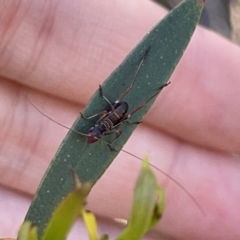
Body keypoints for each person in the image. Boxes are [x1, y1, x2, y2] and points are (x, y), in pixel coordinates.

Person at [1, 1, 240, 239]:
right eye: (93, 134)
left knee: (134, 88)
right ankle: (159, 85)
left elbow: (102, 119)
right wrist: (109, 132)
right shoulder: (100, 130)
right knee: (131, 111)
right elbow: (108, 127)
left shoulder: (98, 123)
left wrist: (105, 119)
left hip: (118, 110)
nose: (92, 134)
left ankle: (155, 79)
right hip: (120, 116)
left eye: (92, 133)